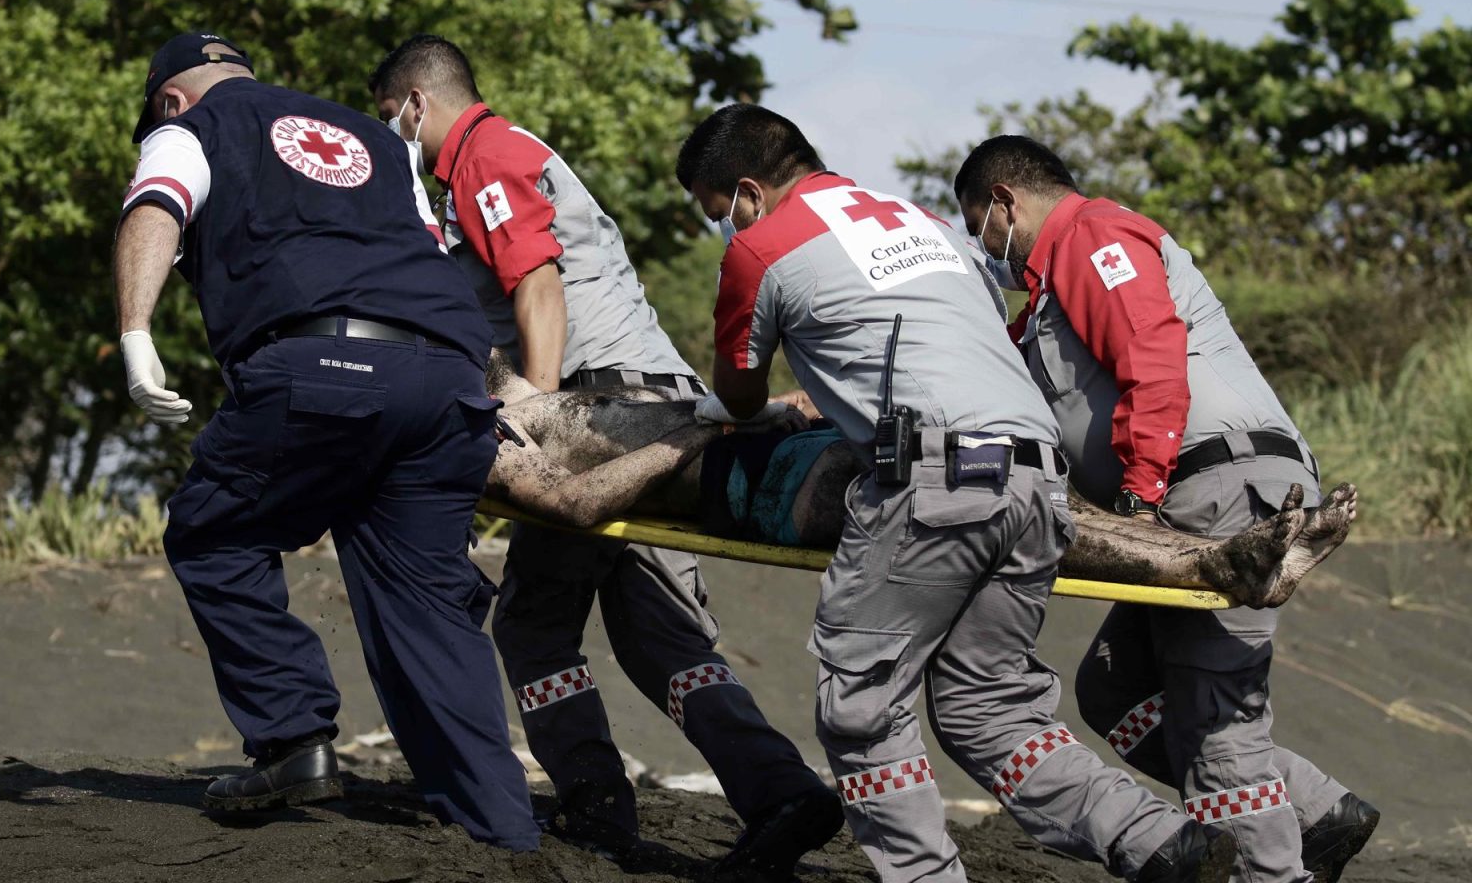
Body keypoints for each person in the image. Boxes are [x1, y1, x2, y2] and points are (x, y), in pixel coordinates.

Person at [676, 102, 1242, 883]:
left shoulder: (761, 247)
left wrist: (757, 407)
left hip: (933, 479)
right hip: (1037, 480)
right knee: (988, 709)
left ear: (748, 190)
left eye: (720, 214)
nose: (725, 230)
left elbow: (738, 395)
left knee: (862, 708)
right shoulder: (929, 227)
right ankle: (1157, 843)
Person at [368, 36, 842, 875]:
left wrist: (540, 415)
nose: (390, 135)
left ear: (417, 102)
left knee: (534, 627)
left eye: (388, 117)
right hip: (661, 403)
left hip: (604, 413)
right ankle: (780, 790)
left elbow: (537, 283)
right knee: (666, 641)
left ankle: (593, 803)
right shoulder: (507, 159)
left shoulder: (484, 154)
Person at [114, 31, 538, 850]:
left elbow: (155, 207)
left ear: (171, 96)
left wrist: (136, 332)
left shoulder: (191, 126)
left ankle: (290, 741)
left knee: (212, 529)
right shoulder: (378, 139)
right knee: (426, 604)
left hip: (321, 364)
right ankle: (500, 830)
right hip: (449, 380)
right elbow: (428, 250)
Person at [953, 135, 1380, 883]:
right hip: (1196, 491)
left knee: (1217, 722)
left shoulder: (1093, 235)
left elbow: (1152, 355)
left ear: (1004, 202)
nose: (984, 248)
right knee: (1115, 688)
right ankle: (1313, 810)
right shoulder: (1052, 290)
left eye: (977, 228)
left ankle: (1270, 869)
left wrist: (1139, 498)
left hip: (1212, 487)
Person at [480, 351, 1355, 607]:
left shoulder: (537, 389)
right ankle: (1207, 565)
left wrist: (785, 405)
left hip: (788, 451)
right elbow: (576, 502)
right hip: (768, 495)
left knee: (1021, 491)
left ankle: (1221, 553)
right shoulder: (485, 433)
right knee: (988, 505)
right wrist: (698, 440)